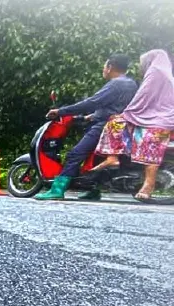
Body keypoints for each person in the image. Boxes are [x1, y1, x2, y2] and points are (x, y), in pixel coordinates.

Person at [36, 54, 138, 200]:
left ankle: (57, 191)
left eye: (105, 66)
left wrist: (61, 111)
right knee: (96, 158)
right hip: (119, 124)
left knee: (75, 154)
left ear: (110, 67)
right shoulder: (131, 83)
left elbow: (92, 102)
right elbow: (116, 106)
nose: (103, 69)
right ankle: (93, 190)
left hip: (106, 125)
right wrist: (89, 117)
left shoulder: (116, 83)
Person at [92, 49, 174, 200]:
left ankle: (148, 185)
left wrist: (128, 113)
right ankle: (113, 157)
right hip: (150, 117)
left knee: (150, 140)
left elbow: (142, 98)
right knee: (115, 123)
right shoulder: (162, 74)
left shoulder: (156, 73)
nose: (141, 66)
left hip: (161, 120)